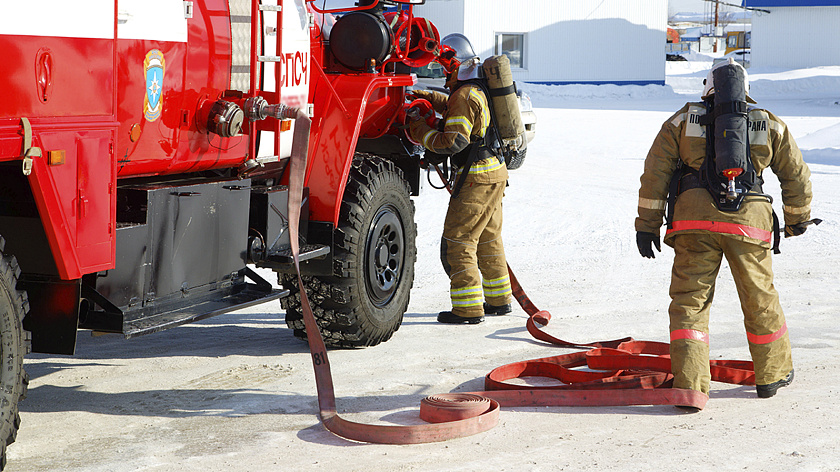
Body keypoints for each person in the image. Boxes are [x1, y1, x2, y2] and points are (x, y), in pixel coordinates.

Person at [635, 59, 815, 400]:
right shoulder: (767, 122)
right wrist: (796, 220)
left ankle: (689, 385)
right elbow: (796, 174)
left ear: (707, 86)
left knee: (690, 302)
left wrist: (647, 226)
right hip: (750, 226)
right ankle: (771, 375)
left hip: (693, 224)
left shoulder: (681, 121)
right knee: (760, 299)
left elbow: (655, 173)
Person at [407, 37, 512, 325]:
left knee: (460, 240)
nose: (444, 72)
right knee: (488, 237)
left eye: (446, 66)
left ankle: (467, 309)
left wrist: (419, 130)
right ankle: (499, 300)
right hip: (495, 172)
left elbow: (454, 141)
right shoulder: (477, 89)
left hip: (477, 178)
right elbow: (455, 106)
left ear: (459, 65)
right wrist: (428, 97)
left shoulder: (464, 96)